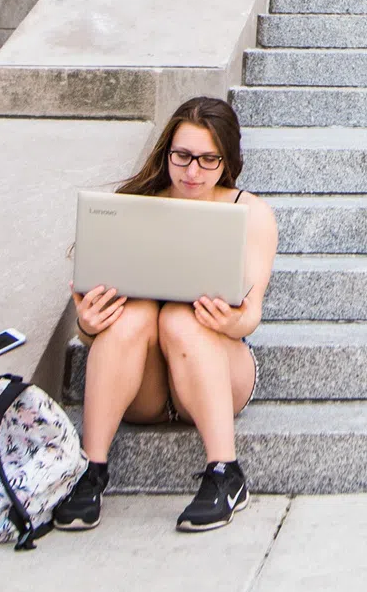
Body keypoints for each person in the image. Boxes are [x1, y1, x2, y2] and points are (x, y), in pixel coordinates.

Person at [49, 96, 277, 533]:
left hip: (220, 374)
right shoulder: (135, 206)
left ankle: (225, 474)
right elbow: (94, 323)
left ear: (228, 160)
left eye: (209, 160)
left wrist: (230, 322)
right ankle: (91, 471)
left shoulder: (249, 213)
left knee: (181, 319)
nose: (193, 172)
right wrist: (88, 326)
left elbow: (250, 316)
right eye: (183, 156)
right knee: (132, 317)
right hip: (145, 387)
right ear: (166, 152)